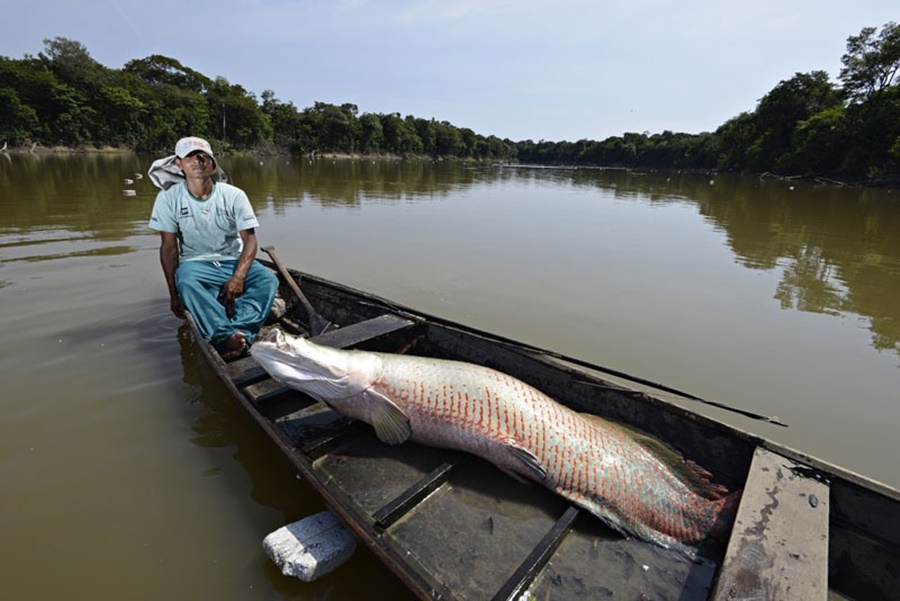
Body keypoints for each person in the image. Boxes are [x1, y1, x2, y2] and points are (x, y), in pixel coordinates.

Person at [148, 136, 279, 360]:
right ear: (179, 164)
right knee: (187, 282)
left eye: (203, 156)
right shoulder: (168, 199)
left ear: (212, 162)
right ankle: (225, 333)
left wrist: (238, 277)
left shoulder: (233, 195)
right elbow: (169, 249)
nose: (198, 161)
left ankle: (240, 332)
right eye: (190, 157)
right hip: (196, 263)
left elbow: (250, 241)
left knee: (268, 280)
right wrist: (174, 293)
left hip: (232, 259)